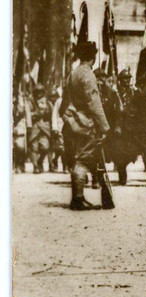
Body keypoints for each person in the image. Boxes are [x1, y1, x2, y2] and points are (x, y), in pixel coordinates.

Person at [60, 41, 111, 210]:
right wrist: (104, 126)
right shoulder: (88, 75)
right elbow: (93, 102)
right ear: (93, 56)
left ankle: (78, 197)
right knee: (82, 159)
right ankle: (78, 198)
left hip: (74, 121)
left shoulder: (72, 73)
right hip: (86, 122)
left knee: (80, 157)